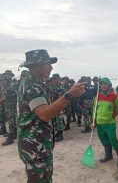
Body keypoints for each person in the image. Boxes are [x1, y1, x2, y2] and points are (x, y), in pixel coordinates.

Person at [17, 49, 84, 183]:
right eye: (48, 63)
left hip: (37, 144)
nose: (51, 67)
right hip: (35, 146)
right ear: (36, 65)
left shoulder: (34, 82)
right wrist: (69, 95)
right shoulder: (32, 85)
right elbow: (44, 114)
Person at [91, 77, 118, 164]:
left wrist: (111, 116)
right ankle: (108, 156)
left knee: (113, 140)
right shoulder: (97, 97)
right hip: (99, 124)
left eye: (105, 84)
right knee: (104, 140)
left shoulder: (114, 96)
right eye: (102, 85)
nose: (103, 86)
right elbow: (94, 110)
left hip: (110, 124)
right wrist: (93, 122)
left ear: (109, 85)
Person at [1, 70, 17, 146]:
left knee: (11, 121)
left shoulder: (12, 85)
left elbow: (5, 97)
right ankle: (13, 134)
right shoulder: (6, 86)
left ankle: (10, 138)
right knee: (11, 120)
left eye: (8, 75)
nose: (6, 77)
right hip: (8, 106)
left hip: (12, 106)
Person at [50, 73, 66, 142]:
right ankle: (57, 132)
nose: (54, 81)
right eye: (53, 79)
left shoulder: (61, 87)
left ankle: (60, 134)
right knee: (54, 120)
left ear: (58, 79)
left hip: (59, 106)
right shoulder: (52, 86)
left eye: (56, 79)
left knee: (59, 120)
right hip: (52, 106)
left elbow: (61, 98)